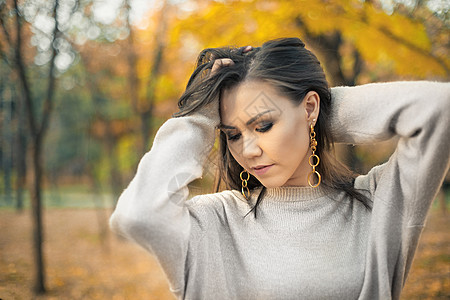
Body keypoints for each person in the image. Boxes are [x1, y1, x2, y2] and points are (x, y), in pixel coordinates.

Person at [109, 38, 450, 299]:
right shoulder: (213, 223)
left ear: (310, 108)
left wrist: (319, 109)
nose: (248, 149)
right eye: (231, 134)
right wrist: (199, 116)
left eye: (264, 125)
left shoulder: (378, 204)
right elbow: (137, 216)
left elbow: (439, 108)